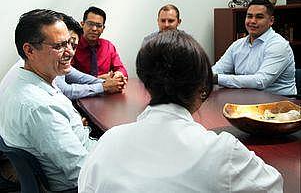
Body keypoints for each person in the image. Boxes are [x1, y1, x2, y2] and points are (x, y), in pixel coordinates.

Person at [78, 30, 283, 193]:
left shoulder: (108, 141)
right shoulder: (222, 151)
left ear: (146, 83)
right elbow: (273, 186)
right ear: (201, 88)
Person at [0, 9, 97, 192]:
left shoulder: (21, 75)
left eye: (70, 43)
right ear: (29, 50)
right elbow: (82, 172)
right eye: (59, 46)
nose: (69, 52)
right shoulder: (40, 108)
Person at [0, 13, 125, 101]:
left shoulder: (108, 45)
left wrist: (110, 82)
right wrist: (104, 86)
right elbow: (66, 90)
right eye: (60, 45)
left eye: (72, 45)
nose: (70, 51)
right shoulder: (37, 99)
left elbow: (78, 76)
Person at [212, 0, 296, 96]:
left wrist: (216, 78)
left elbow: (261, 81)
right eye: (249, 16)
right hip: (247, 98)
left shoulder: (278, 45)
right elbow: (218, 69)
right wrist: (205, 76)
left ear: (271, 21)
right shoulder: (238, 44)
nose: (252, 21)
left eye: (259, 17)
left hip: (280, 102)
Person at [72, 6, 128, 80]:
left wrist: (118, 74)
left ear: (103, 29)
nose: (94, 29)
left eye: (98, 26)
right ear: (82, 24)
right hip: (80, 89)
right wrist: (97, 80)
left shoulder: (108, 46)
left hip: (107, 89)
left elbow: (121, 69)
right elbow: (67, 76)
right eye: (90, 24)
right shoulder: (72, 46)